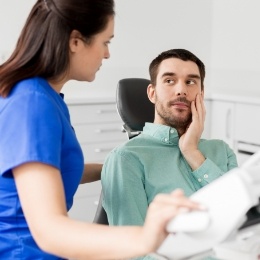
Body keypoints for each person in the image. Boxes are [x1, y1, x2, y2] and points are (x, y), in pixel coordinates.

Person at [0, 2, 204, 260]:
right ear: (76, 41)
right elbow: (49, 231)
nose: (107, 54)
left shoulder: (44, 97)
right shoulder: (32, 103)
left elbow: (49, 170)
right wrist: (145, 236)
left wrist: (119, 163)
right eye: (105, 42)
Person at [101, 48, 238, 257]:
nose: (181, 90)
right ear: (152, 93)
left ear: (201, 93)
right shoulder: (126, 159)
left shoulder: (221, 150)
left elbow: (239, 218)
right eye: (169, 81)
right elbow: (131, 253)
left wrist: (192, 152)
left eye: (191, 82)